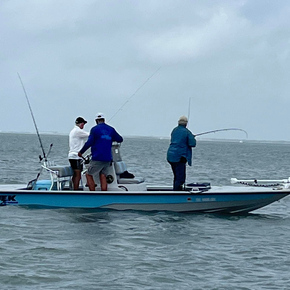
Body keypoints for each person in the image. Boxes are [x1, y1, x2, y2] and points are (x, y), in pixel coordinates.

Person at [78, 113, 123, 191]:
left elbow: (89, 143)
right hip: (108, 158)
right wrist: (109, 138)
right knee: (103, 175)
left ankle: (93, 195)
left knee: (88, 174)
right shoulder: (111, 129)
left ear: (96, 121)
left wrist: (81, 152)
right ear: (104, 120)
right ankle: (103, 194)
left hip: (97, 157)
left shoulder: (94, 129)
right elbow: (120, 139)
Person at [167, 116, 196, 191]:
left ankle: (176, 190)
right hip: (180, 157)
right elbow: (192, 144)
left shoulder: (174, 130)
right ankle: (177, 193)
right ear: (186, 124)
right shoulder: (187, 132)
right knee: (180, 178)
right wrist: (192, 137)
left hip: (170, 155)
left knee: (176, 176)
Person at [68, 117, 89, 190]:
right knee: (78, 175)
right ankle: (75, 190)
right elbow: (90, 135)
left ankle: (74, 188)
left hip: (72, 156)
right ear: (81, 124)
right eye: (83, 124)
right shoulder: (78, 131)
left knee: (76, 174)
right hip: (76, 156)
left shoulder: (73, 131)